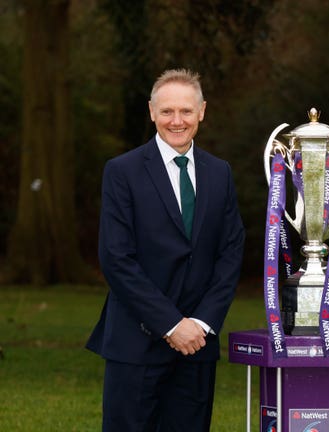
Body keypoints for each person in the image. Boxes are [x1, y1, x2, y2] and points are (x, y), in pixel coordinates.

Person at [86, 68, 245, 432]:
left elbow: (231, 251)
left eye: (186, 111)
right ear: (151, 111)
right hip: (136, 343)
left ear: (202, 111)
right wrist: (171, 325)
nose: (177, 121)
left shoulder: (220, 173)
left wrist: (202, 323)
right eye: (167, 111)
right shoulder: (121, 171)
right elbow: (116, 258)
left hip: (198, 346)